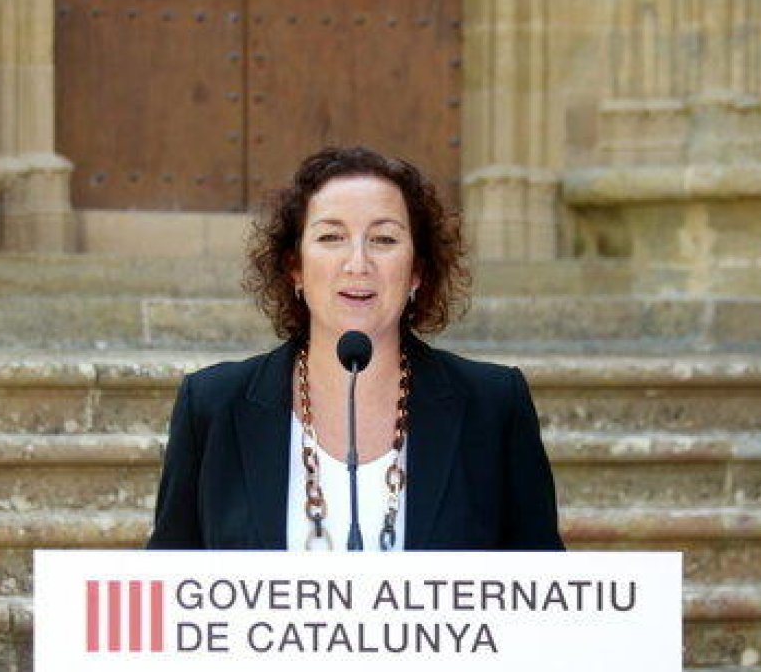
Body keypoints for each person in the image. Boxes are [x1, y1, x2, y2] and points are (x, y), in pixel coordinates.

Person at [146, 146, 562, 551]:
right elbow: (165, 591)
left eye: (383, 239)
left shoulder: (493, 406)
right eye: (331, 237)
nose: (357, 263)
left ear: (416, 270)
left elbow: (543, 596)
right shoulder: (212, 406)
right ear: (295, 268)